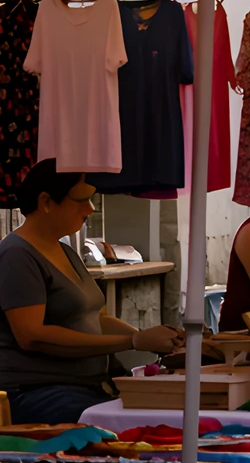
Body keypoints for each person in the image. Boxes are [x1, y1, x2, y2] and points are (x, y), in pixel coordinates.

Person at [1, 162, 185, 422]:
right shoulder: (17, 255)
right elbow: (33, 336)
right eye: (81, 200)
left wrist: (149, 337)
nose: (90, 209)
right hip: (38, 392)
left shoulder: (65, 251)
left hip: (87, 386)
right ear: (46, 201)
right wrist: (132, 343)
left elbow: (96, 318)